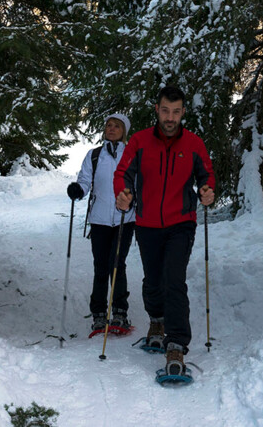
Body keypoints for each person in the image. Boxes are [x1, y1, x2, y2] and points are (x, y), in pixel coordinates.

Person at [114, 85, 215, 377]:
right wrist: (123, 192)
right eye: (165, 111)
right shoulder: (140, 141)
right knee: (153, 280)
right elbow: (124, 173)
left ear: (183, 113)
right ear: (157, 110)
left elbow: (205, 173)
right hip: (147, 223)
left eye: (176, 111)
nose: (170, 117)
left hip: (181, 222)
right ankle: (156, 319)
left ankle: (177, 344)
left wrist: (207, 190)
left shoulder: (194, 144)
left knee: (174, 279)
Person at [67, 113, 136, 335]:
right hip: (99, 219)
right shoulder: (94, 155)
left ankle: (119, 312)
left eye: (116, 126)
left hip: (125, 218)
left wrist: (133, 198)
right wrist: (78, 189)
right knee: (100, 266)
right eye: (108, 125)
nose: (111, 129)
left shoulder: (132, 155)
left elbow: (139, 182)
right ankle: (98, 313)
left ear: (124, 130)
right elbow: (85, 179)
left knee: (117, 264)